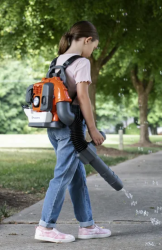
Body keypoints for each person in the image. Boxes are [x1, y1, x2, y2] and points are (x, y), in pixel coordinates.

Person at [34, 21, 111, 243]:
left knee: (76, 176)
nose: (93, 52)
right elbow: (83, 97)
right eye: (94, 47)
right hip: (72, 128)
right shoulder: (82, 62)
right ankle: (45, 226)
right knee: (63, 176)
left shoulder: (55, 61)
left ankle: (87, 225)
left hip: (55, 126)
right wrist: (93, 130)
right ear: (87, 40)